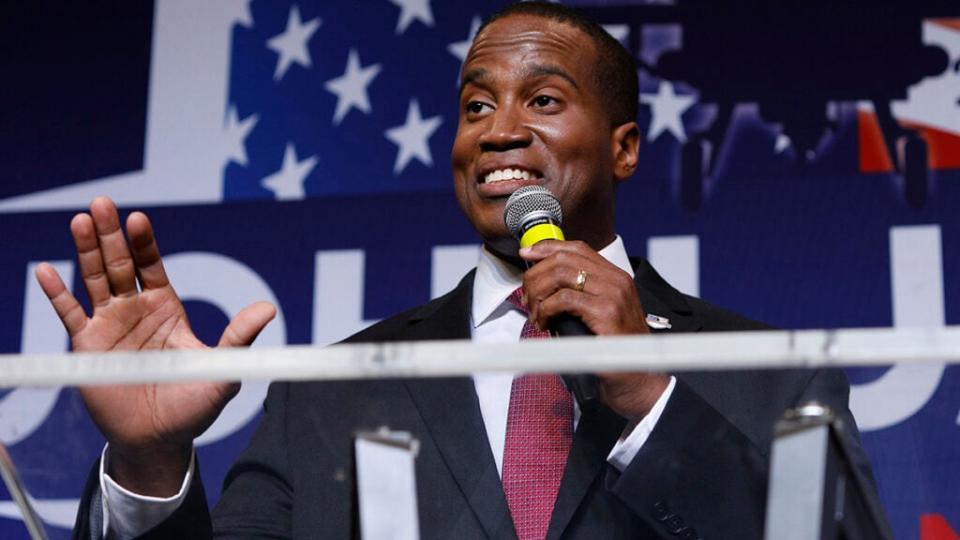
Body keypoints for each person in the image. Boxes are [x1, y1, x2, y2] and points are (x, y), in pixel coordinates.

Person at [37, 2, 879, 538]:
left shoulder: (769, 369)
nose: (497, 131)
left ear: (624, 149)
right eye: (476, 105)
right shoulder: (332, 390)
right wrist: (148, 466)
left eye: (542, 101)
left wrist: (651, 400)